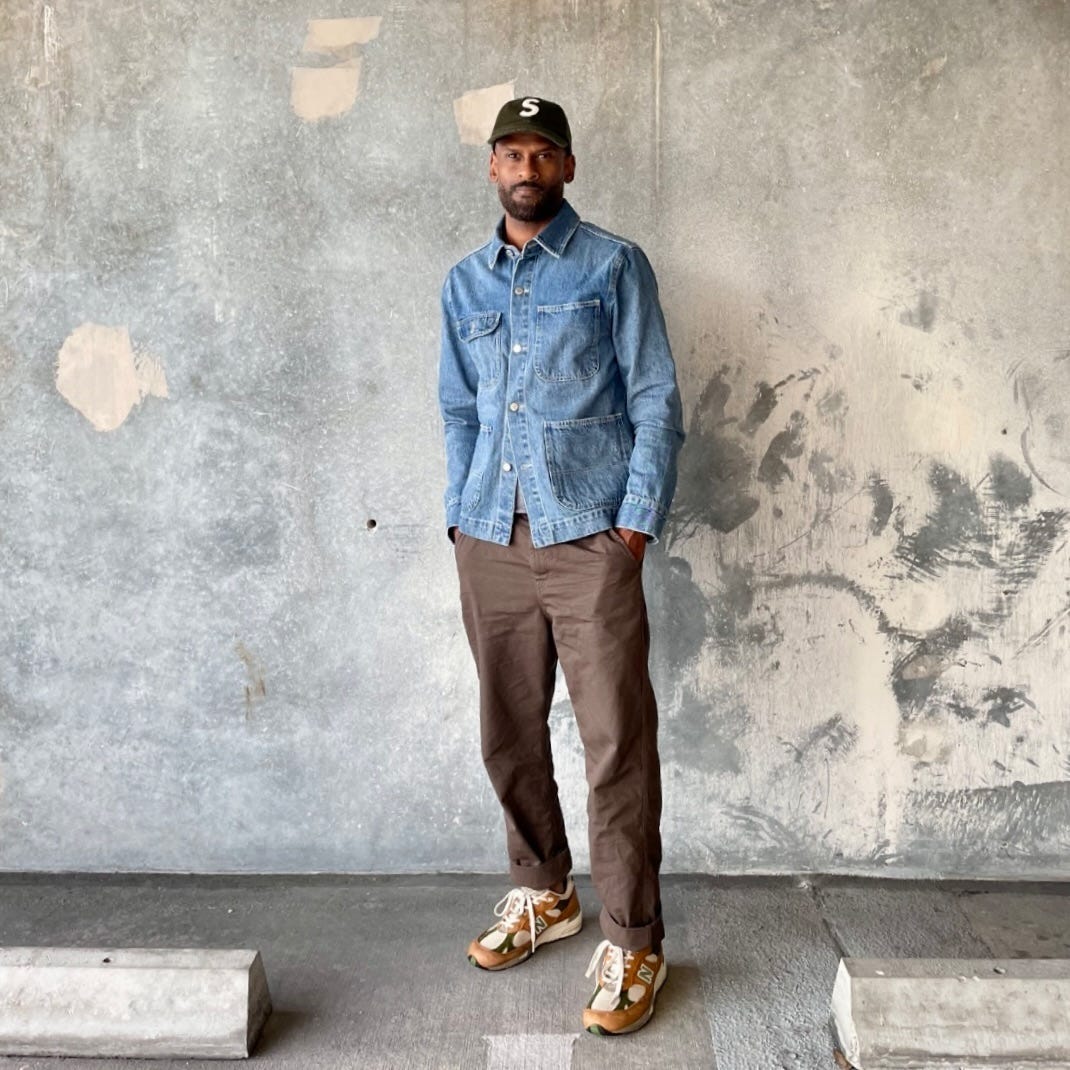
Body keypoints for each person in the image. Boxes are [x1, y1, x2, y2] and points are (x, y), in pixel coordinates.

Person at [437, 95, 684, 1036]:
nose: (526, 167)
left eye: (544, 153)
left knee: (616, 740)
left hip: (589, 538)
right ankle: (544, 893)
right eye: (511, 152)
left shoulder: (613, 265)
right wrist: (461, 522)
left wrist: (632, 528)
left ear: (568, 167)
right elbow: (459, 412)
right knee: (507, 731)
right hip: (488, 538)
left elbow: (656, 399)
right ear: (492, 167)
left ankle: (632, 937)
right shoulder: (463, 285)